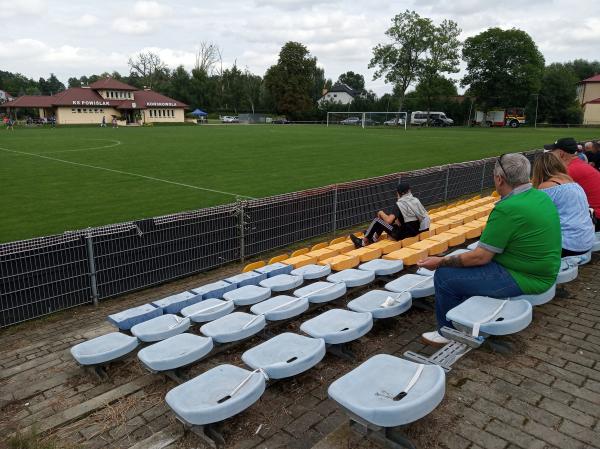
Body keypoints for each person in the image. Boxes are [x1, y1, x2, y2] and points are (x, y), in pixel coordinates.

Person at [417, 153, 561, 345]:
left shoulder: (508, 208)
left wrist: (439, 261)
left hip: (527, 276)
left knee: (444, 276)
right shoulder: (538, 196)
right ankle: (465, 314)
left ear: (500, 179)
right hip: (542, 268)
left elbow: (480, 258)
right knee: (462, 263)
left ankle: (447, 332)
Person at [531, 152, 595, 257]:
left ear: (538, 169)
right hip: (587, 241)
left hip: (568, 246)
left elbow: (532, 215)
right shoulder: (574, 184)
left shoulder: (546, 187)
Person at [350, 182, 430, 248]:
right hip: (416, 231)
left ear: (400, 193)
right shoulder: (415, 200)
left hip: (403, 235)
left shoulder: (400, 204)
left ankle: (363, 242)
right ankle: (373, 238)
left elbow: (388, 221)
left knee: (378, 220)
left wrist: (381, 212)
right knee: (389, 222)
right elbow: (422, 217)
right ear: (409, 191)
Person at [546, 137, 600, 230]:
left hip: (594, 218)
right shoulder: (578, 164)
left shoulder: (569, 170)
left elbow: (544, 190)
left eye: (552, 151)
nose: (550, 154)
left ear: (561, 153)